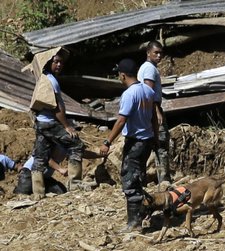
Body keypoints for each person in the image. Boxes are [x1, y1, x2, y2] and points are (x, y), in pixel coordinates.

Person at [100, 58, 157, 232]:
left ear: (123, 75)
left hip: (135, 142)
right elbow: (154, 116)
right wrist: (155, 137)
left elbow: (121, 120)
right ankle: (144, 212)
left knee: (130, 180)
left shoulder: (129, 94)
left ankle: (134, 223)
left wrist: (107, 142)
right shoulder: (148, 90)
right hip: (147, 140)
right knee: (138, 178)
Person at [30, 48, 85, 199]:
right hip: (50, 122)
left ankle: (38, 193)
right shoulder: (52, 81)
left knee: (40, 156)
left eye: (61, 62)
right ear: (49, 63)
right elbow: (57, 107)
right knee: (76, 144)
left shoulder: (44, 77)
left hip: (41, 122)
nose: (59, 65)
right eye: (56, 62)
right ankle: (75, 184)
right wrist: (67, 126)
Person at [138, 40, 171, 183]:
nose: (159, 56)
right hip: (152, 109)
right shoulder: (150, 69)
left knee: (146, 146)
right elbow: (148, 92)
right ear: (148, 53)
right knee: (161, 145)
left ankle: (140, 180)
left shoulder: (145, 68)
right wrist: (156, 111)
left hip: (146, 110)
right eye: (155, 52)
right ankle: (164, 181)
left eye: (160, 53)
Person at [14, 146, 104, 195]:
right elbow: (45, 158)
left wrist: (100, 155)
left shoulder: (68, 146)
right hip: (29, 173)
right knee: (22, 195)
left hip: (45, 178)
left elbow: (83, 153)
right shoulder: (53, 143)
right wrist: (60, 169)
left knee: (61, 191)